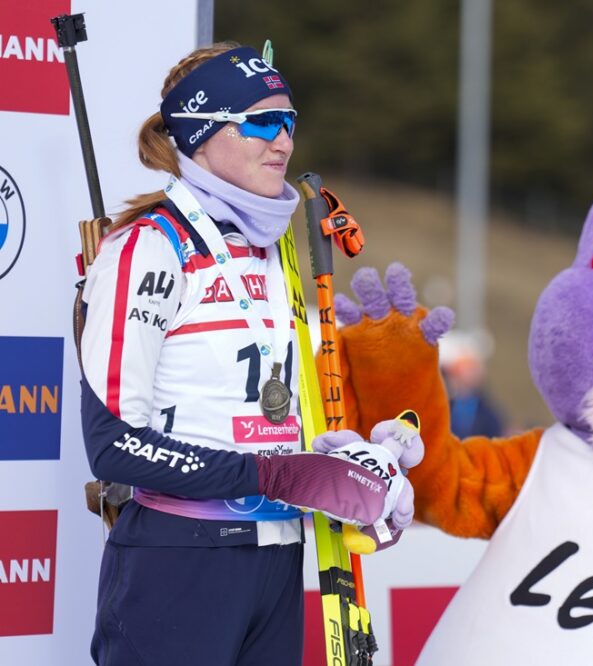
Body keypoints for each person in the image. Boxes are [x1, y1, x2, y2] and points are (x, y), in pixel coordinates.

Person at [80, 42, 414, 665]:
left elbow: (263, 414)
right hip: (181, 558)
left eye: (289, 122)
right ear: (202, 133)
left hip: (275, 554)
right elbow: (114, 443)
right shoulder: (147, 250)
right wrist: (283, 475)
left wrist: (348, 468)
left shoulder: (271, 254)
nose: (283, 141)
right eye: (262, 122)